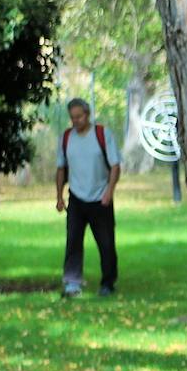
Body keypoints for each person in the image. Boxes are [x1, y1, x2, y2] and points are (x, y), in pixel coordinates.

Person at [55, 98, 121, 298]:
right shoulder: (66, 138)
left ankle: (108, 283)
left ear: (88, 114)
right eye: (72, 117)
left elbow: (115, 166)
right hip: (76, 198)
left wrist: (109, 191)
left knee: (106, 243)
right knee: (73, 241)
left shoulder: (102, 134)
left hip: (100, 198)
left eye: (79, 117)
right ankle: (72, 283)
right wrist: (59, 196)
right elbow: (60, 168)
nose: (76, 121)